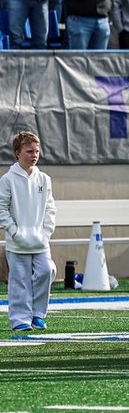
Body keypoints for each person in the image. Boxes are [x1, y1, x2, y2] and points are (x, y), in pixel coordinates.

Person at [0, 131, 56, 333]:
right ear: (17, 153)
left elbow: (50, 209)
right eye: (29, 151)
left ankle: (38, 315)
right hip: (17, 243)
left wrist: (46, 232)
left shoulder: (44, 179)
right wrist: (15, 232)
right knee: (20, 280)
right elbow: (1, 209)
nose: (34, 155)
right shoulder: (7, 180)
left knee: (47, 271)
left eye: (37, 151)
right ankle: (20, 320)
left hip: (40, 242)